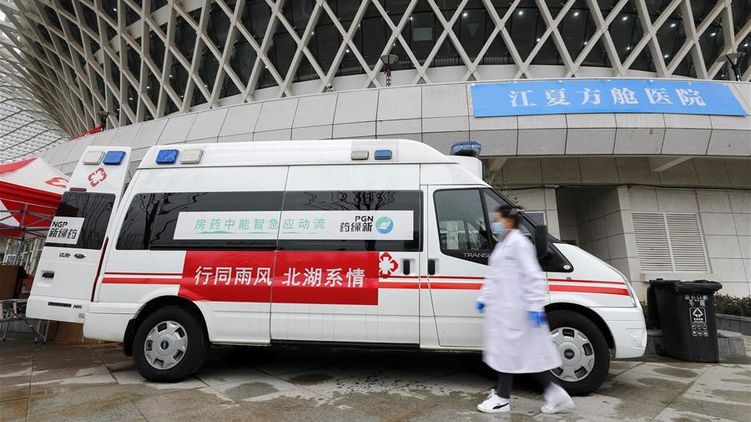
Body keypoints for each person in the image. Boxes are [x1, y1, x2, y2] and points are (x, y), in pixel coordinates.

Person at [475, 205, 574, 414]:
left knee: (512, 355)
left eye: (497, 220)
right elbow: (495, 276)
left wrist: (535, 305)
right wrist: (484, 297)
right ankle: (556, 396)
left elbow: (533, 276)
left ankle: (502, 398)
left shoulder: (519, 244)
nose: (495, 224)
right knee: (525, 355)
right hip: (506, 309)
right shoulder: (504, 244)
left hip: (518, 310)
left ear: (509, 221)